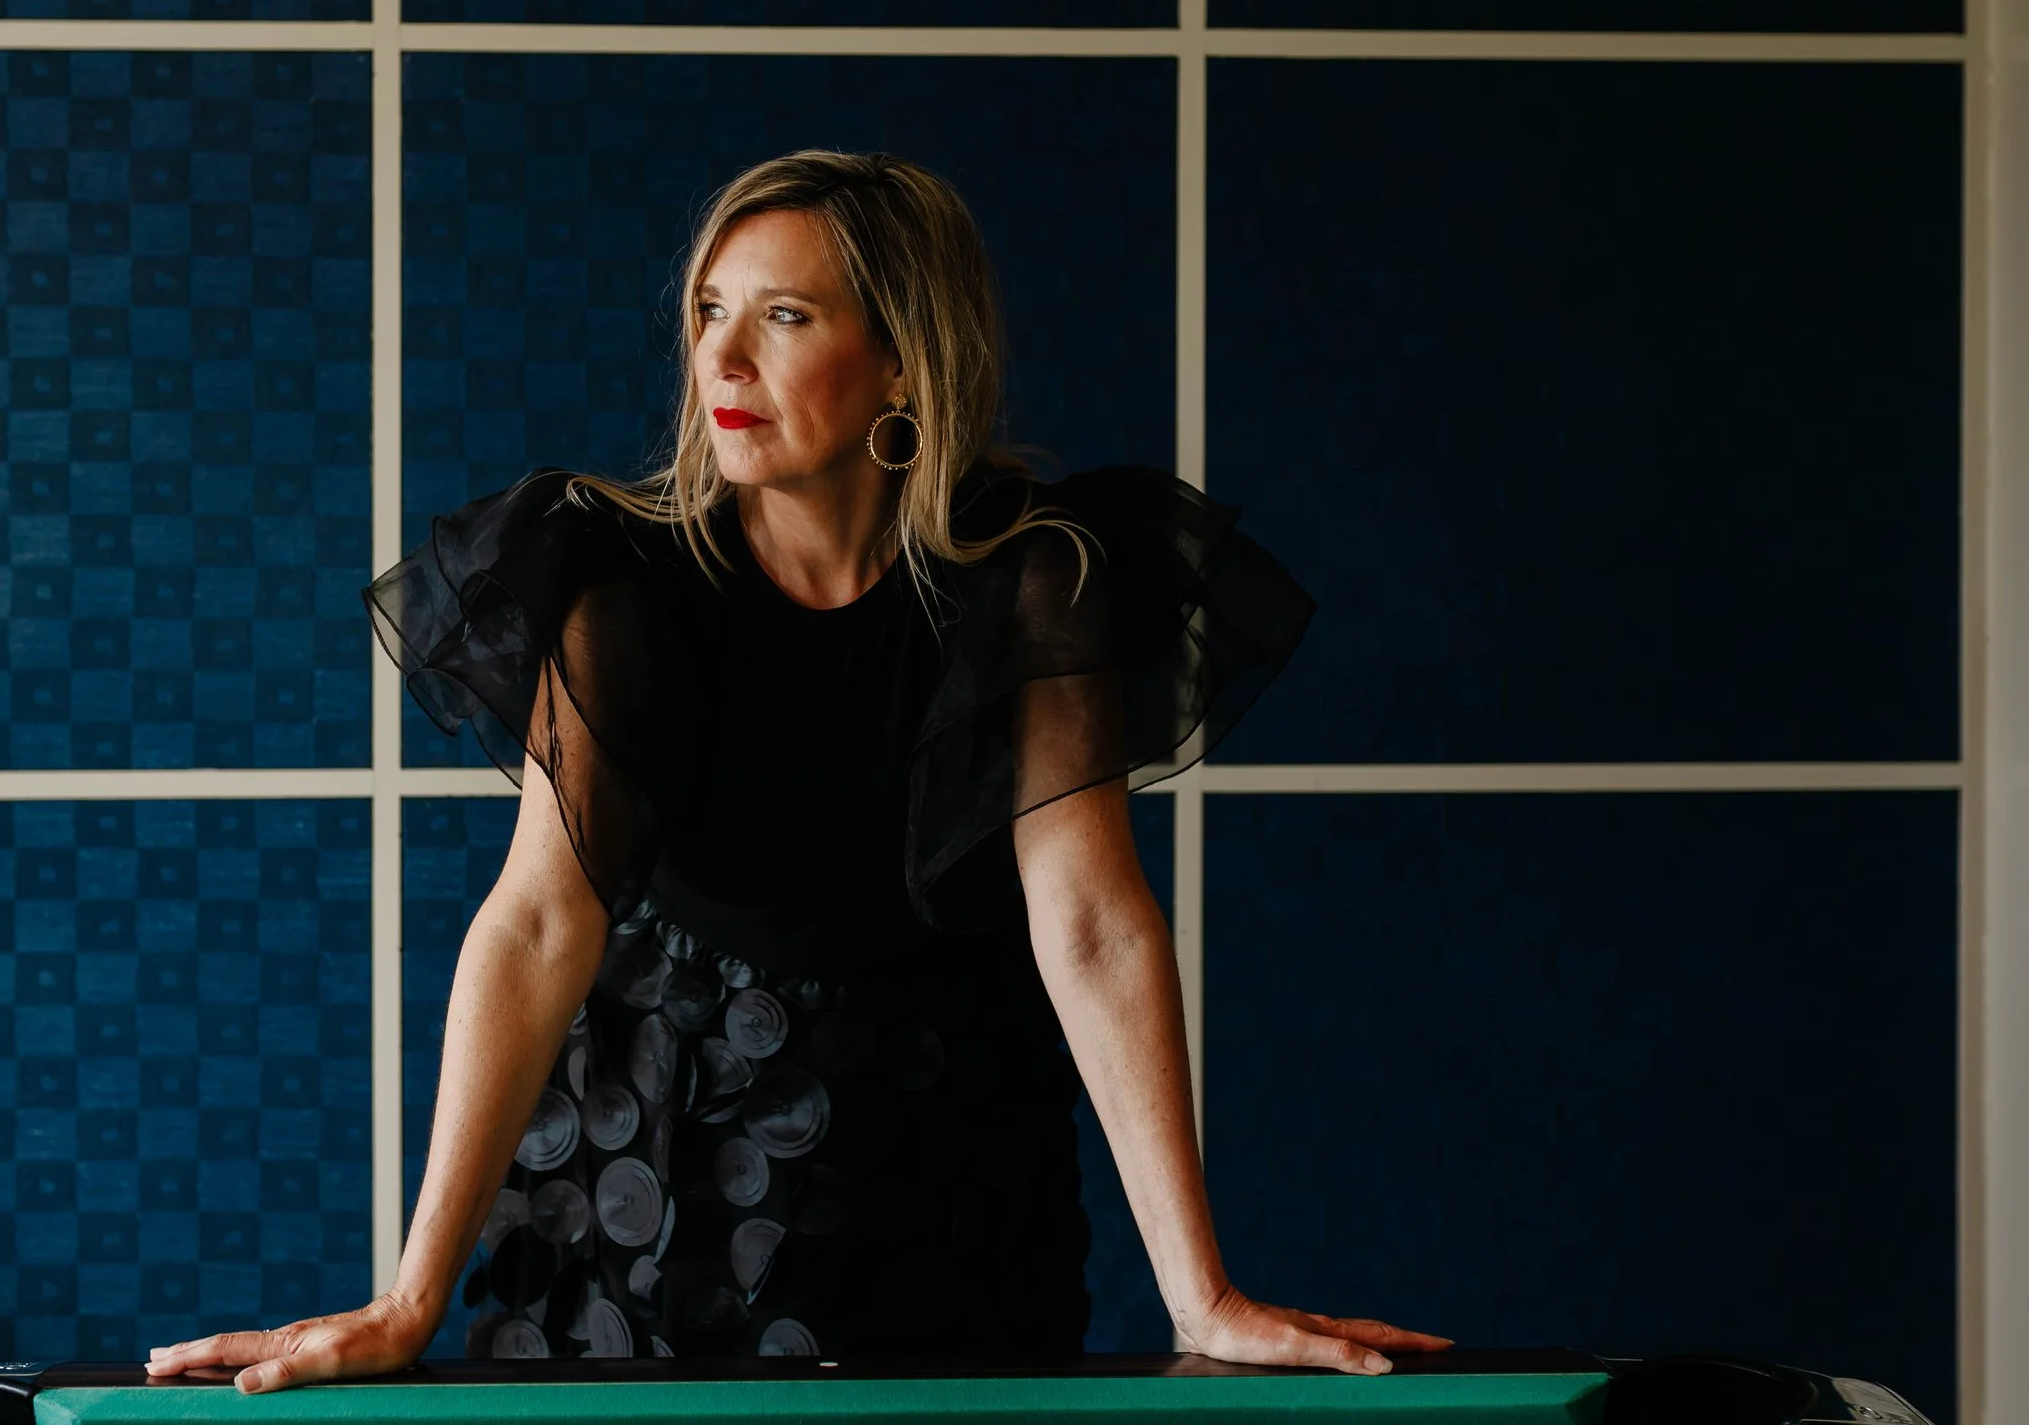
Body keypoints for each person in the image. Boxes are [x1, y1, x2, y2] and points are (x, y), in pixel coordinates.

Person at [146, 151, 1449, 1392]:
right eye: (709, 311)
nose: (721, 357)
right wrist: (408, 1300)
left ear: (903, 360)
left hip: (944, 1163)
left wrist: (1201, 1297)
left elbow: (1094, 920)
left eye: (782, 316)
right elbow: (537, 920)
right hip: (662, 1162)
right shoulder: (618, 587)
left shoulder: (1032, 584)